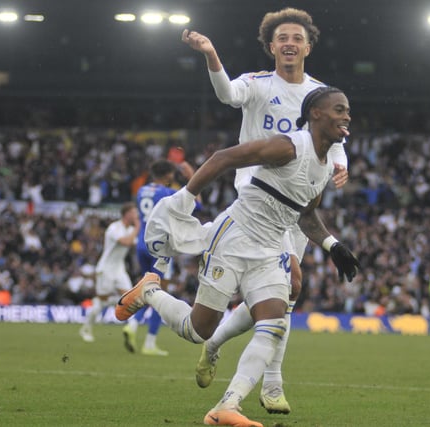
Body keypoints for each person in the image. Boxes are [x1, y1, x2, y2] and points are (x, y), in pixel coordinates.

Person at [116, 86, 361, 427]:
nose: (346, 115)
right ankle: (149, 292)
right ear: (316, 114)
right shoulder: (289, 146)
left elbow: (305, 215)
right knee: (198, 330)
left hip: (271, 248)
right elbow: (222, 158)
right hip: (234, 237)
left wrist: (333, 245)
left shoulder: (324, 166)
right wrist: (186, 197)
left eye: (347, 110)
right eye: (339, 109)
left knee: (274, 321)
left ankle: (227, 406)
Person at [181, 7, 349, 414]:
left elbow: (337, 141)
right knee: (286, 286)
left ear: (308, 46)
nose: (289, 43)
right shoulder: (257, 84)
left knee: (283, 296)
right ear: (272, 46)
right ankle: (268, 381)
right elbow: (227, 95)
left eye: (297, 38)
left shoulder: (321, 94)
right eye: (282, 38)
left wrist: (343, 165)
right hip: (256, 202)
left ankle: (226, 350)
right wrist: (210, 55)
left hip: (295, 204)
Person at [122, 159, 196, 356]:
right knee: (158, 292)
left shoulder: (141, 191)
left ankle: (133, 325)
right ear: (169, 175)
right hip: (158, 246)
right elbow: (195, 201)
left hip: (140, 244)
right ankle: (149, 342)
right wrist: (191, 176)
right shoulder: (167, 192)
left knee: (146, 288)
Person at [79, 202, 140, 343]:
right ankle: (86, 328)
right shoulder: (114, 228)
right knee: (101, 301)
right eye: (134, 212)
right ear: (127, 214)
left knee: (130, 298)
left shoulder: (130, 230)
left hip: (119, 269)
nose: (136, 215)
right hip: (105, 269)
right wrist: (137, 227)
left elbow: (135, 242)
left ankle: (130, 330)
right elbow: (125, 242)